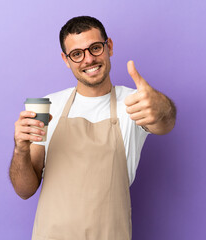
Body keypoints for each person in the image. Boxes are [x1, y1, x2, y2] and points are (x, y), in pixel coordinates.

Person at [9, 16, 176, 240]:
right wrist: (20, 149)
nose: (88, 59)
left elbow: (166, 123)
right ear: (66, 59)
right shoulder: (49, 106)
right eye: (77, 54)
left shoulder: (134, 102)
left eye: (95, 48)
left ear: (109, 47)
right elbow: (24, 190)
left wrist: (161, 106)